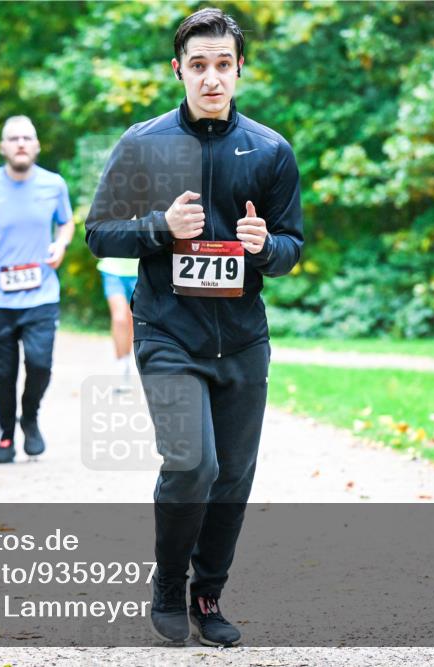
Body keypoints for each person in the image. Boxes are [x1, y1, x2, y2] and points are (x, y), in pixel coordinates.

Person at [85, 8, 303, 647]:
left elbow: (292, 248)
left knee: (233, 475)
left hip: (241, 338)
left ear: (239, 71)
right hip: (168, 331)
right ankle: (167, 581)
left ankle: (208, 594)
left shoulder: (270, 150)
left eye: (224, 65)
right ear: (178, 69)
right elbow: (99, 233)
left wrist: (265, 247)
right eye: (199, 65)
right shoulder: (144, 143)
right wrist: (159, 229)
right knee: (192, 463)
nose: (212, 78)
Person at [0, 115, 74, 464]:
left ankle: (30, 417)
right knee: (3, 374)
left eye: (27, 137)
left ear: (37, 146)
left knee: (39, 365)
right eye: (14, 138)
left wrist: (61, 244)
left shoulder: (54, 184)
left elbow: (66, 221)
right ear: (3, 147)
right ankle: (6, 435)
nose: (21, 143)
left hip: (41, 294)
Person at [98, 256, 139, 389]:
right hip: (112, 269)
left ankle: (130, 362)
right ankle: (121, 366)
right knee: (120, 318)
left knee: (134, 319)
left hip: (139, 269)